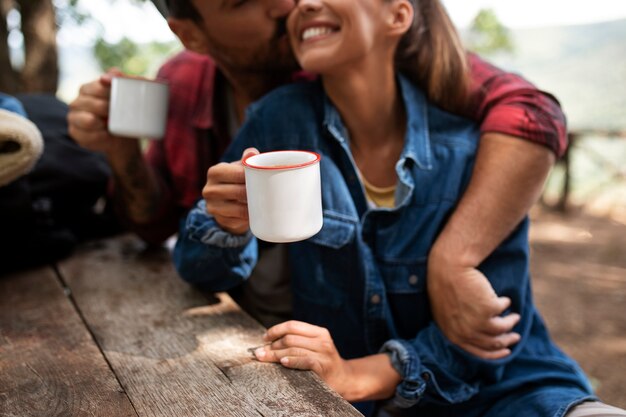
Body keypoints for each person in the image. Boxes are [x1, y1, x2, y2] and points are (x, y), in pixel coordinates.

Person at [173, 0, 626, 416]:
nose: (304, 3)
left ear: (398, 16)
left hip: (505, 395)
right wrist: (222, 223)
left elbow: (491, 340)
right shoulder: (279, 120)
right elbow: (201, 272)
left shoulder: (472, 149)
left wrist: (358, 374)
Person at [69, 0, 561, 358]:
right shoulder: (185, 87)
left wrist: (453, 259)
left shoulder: (382, 66)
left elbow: (532, 113)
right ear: (191, 35)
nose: (287, 5)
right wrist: (121, 152)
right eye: (245, 3)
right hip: (276, 346)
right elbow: (156, 226)